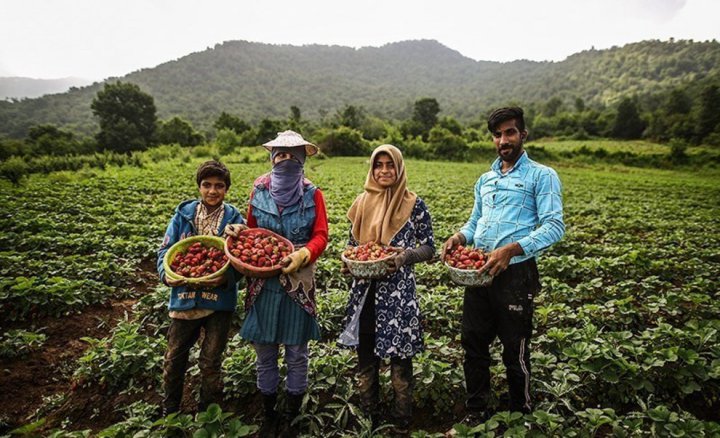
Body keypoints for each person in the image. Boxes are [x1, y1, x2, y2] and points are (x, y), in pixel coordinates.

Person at [442, 107, 565, 422]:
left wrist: (512, 250)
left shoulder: (542, 175)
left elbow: (554, 226)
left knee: (515, 348)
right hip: (479, 273)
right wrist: (459, 236)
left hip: (516, 275)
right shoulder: (485, 179)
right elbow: (475, 223)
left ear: (523, 134)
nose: (503, 139)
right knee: (473, 343)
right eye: (497, 134)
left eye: (510, 132)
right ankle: (476, 410)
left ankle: (520, 413)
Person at [226, 130, 328, 437]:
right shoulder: (259, 189)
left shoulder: (313, 193)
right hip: (263, 283)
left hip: (298, 282)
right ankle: (269, 414)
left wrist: (301, 255)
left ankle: (291, 416)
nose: (285, 160)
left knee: (297, 352)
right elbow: (252, 231)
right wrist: (238, 231)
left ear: (301, 160)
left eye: (292, 156)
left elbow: (321, 235)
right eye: (280, 155)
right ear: (273, 158)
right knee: (265, 352)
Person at [339, 144, 435, 435]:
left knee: (400, 364)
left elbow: (429, 247)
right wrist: (349, 264)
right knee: (366, 361)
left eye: (389, 165)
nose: (383, 171)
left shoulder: (414, 204)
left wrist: (405, 256)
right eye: (378, 165)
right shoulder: (361, 202)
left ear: (399, 168)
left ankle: (402, 419)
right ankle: (370, 416)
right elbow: (354, 248)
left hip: (398, 297)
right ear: (372, 168)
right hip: (365, 295)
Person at [156, 160, 246, 416]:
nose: (212, 191)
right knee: (174, 359)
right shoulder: (182, 216)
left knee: (210, 361)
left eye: (219, 186)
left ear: (226, 189)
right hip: (184, 298)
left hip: (219, 302)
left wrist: (226, 278)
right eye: (207, 185)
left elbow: (241, 259)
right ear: (199, 187)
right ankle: (170, 412)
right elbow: (165, 250)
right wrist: (167, 274)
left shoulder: (234, 220)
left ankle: (207, 413)